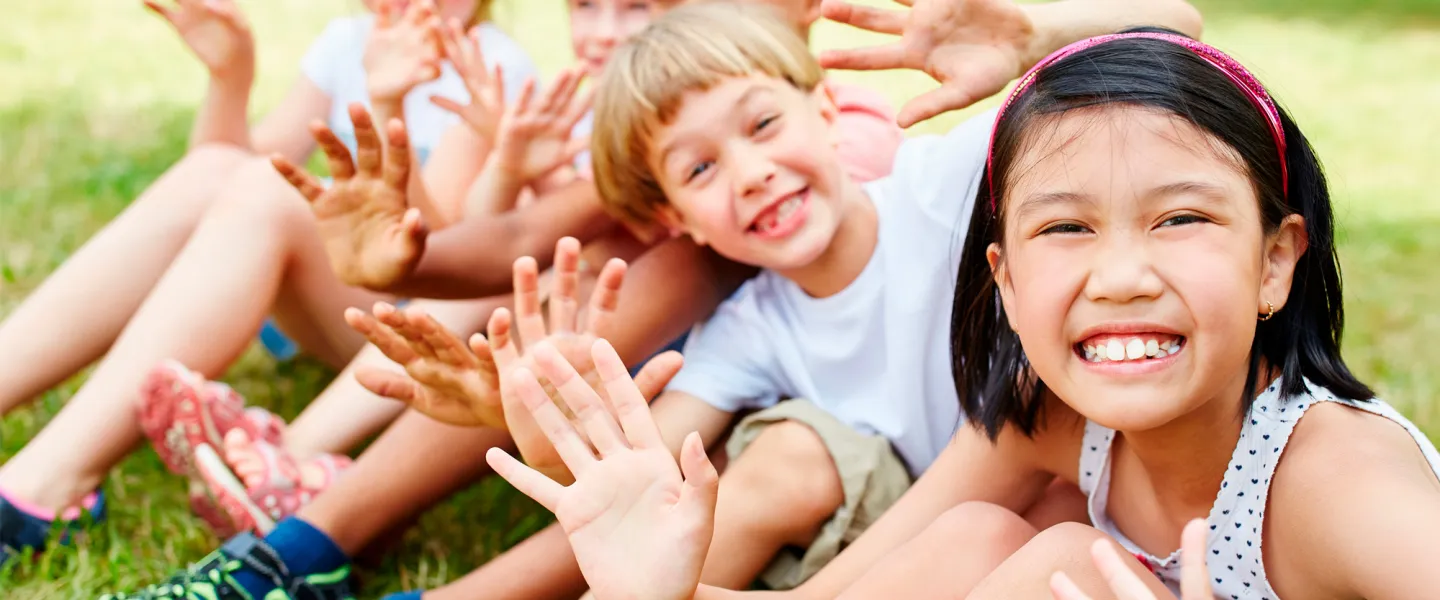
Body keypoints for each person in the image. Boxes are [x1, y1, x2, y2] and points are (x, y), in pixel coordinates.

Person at [485, 19, 1440, 600]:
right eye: (1067, 230)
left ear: (1277, 264)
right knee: (1003, 545)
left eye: (1179, 218)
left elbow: (1176, 31)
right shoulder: (1049, 419)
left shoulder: (1335, 487)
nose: (1119, 276)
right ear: (1007, 286)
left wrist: (1032, 31)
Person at [0, 0, 538, 559]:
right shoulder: (349, 41)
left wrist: (386, 102)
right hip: (342, 292)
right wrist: (231, 77)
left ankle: (47, 487)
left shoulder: (493, 68)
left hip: (414, 325)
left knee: (267, 192)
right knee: (223, 174)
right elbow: (220, 182)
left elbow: (431, 257)